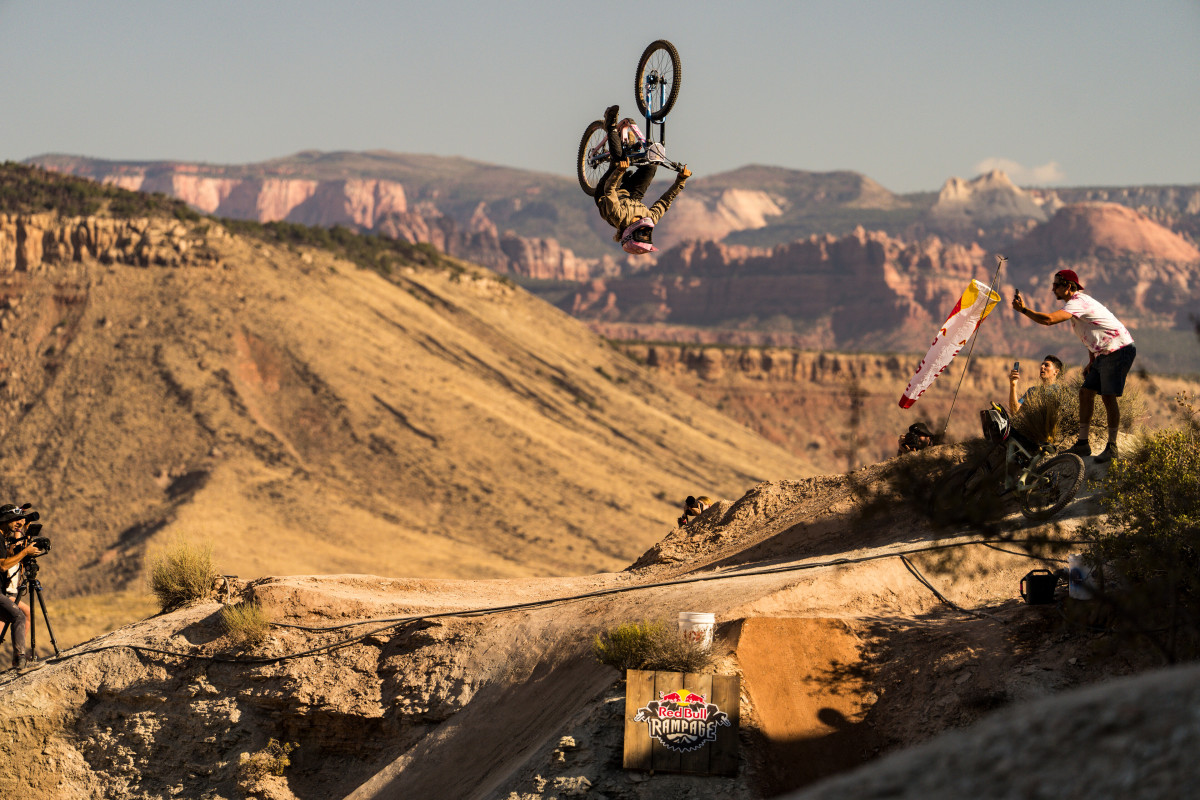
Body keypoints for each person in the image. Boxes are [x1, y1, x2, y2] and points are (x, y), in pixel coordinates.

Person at [1011, 269, 1136, 462]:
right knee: (1085, 393)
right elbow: (1092, 333)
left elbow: (1048, 320)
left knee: (1108, 397)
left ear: (1068, 286)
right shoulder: (1076, 305)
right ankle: (1083, 444)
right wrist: (1092, 361)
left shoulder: (1078, 302)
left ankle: (1112, 447)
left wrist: (1024, 310)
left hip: (1118, 349)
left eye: (1056, 286)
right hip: (1103, 353)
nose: (1053, 289)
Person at [594, 104, 691, 255]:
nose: (647, 231)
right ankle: (632, 147)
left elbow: (610, 189)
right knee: (652, 165)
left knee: (619, 159)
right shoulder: (649, 219)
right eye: (648, 236)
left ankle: (610, 125)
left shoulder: (618, 217)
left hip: (607, 192)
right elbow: (665, 202)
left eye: (643, 235)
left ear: (629, 234)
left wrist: (620, 171)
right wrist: (681, 180)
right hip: (632, 196)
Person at [0, 504, 45, 673]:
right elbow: (3, 566)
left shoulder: (3, 539)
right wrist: (25, 551)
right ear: (4, 521)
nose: (17, 523)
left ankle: (19, 660)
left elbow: (10, 556)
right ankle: (20, 661)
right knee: (19, 616)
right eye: (14, 520)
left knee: (11, 617)